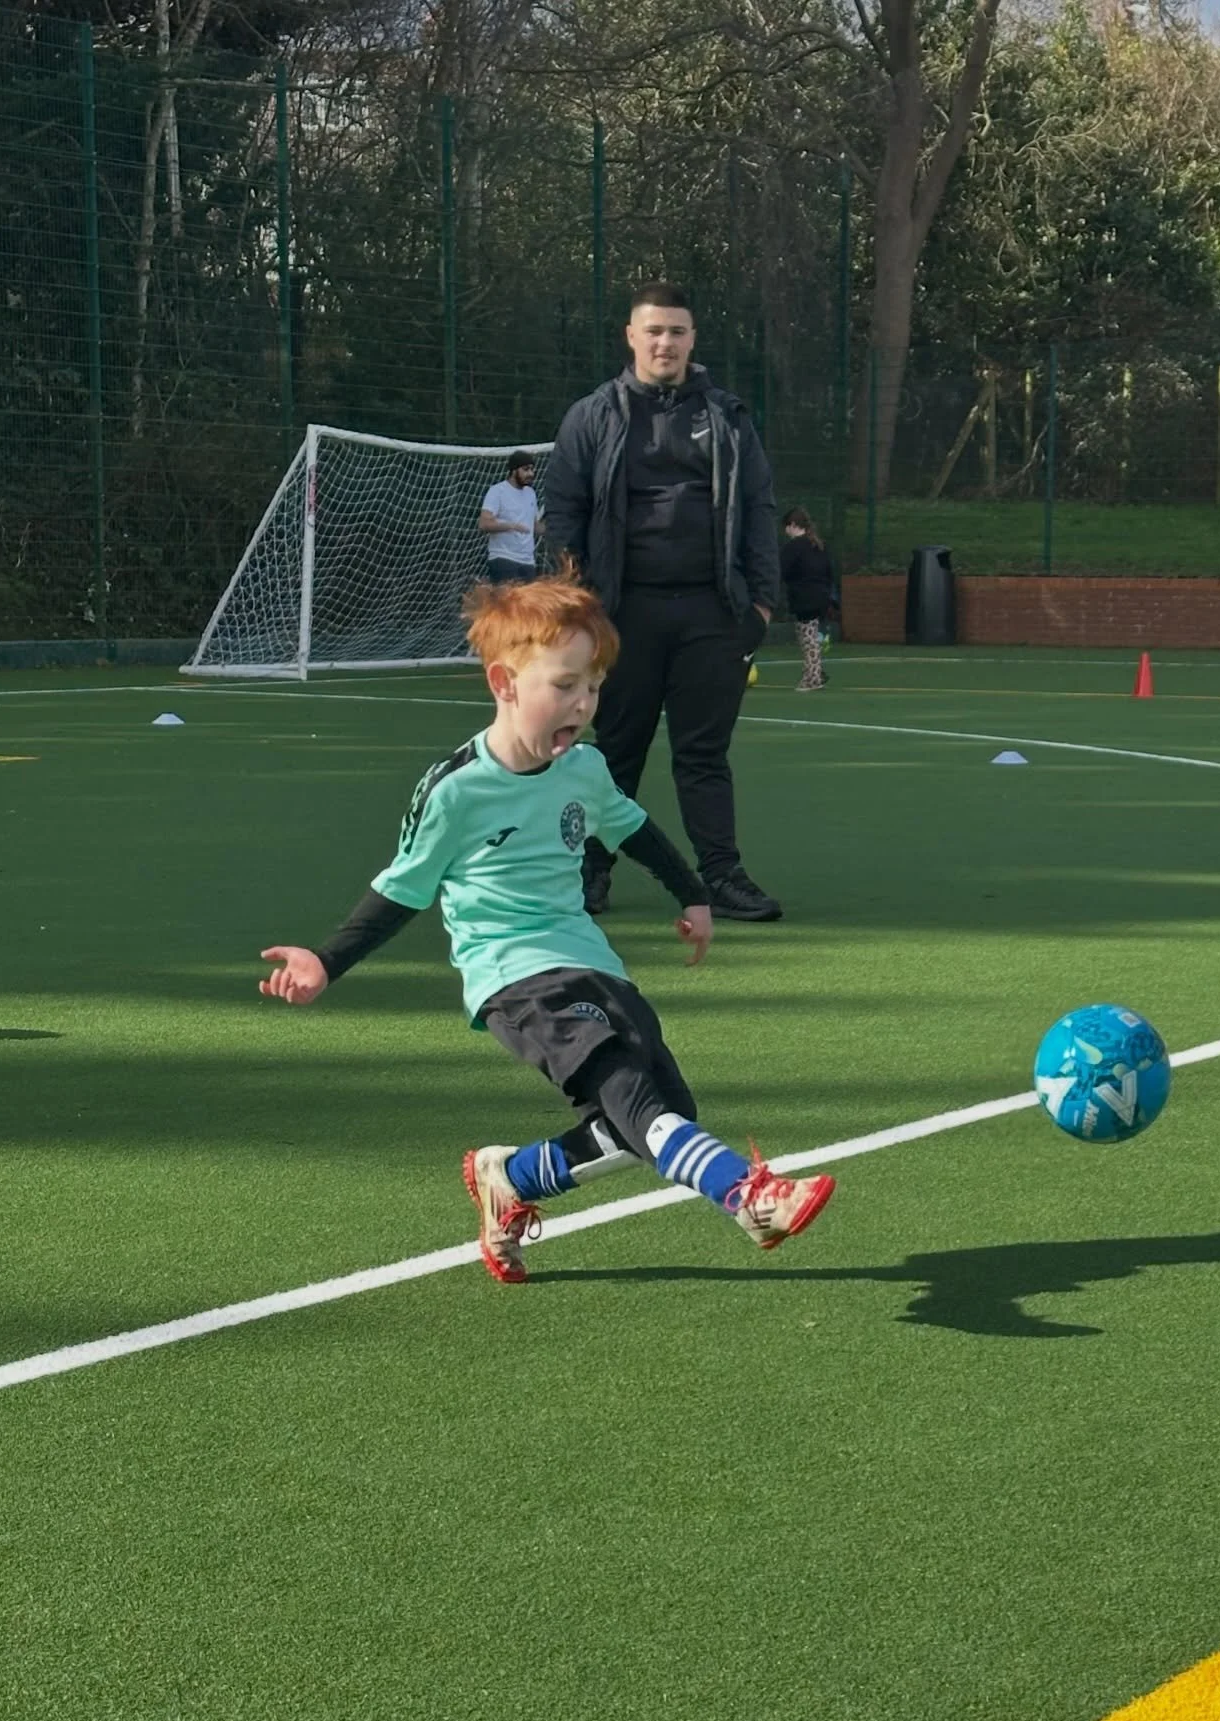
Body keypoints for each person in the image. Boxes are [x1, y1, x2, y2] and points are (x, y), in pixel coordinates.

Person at [257, 567, 835, 1284]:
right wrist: (326, 959)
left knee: (652, 1119)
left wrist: (692, 894)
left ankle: (514, 1177)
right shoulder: (457, 790)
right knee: (629, 1090)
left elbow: (634, 829)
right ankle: (746, 1194)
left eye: (591, 686)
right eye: (564, 685)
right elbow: (402, 890)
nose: (583, 703)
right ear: (504, 683)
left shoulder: (584, 768)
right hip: (513, 975)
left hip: (588, 959)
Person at [543, 280, 783, 924]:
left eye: (677, 331)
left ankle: (723, 877)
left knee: (704, 755)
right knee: (614, 753)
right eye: (653, 330)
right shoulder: (592, 416)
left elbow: (760, 509)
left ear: (692, 339)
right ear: (631, 336)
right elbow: (562, 511)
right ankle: (591, 875)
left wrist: (761, 603)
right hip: (622, 618)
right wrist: (576, 607)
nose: (665, 342)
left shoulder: (729, 417)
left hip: (713, 615)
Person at [780, 508, 835, 692]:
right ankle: (817, 671)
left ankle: (813, 678)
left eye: (786, 527)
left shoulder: (793, 547)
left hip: (805, 598)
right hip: (821, 596)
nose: (786, 531)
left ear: (793, 525)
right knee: (810, 636)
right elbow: (829, 571)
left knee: (808, 638)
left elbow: (783, 571)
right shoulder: (820, 545)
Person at [478, 450, 543, 583]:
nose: (530, 474)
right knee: (506, 603)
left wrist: (557, 528)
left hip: (528, 561)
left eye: (532, 469)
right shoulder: (497, 491)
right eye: (526, 469)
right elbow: (484, 524)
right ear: (514, 471)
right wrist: (511, 526)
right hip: (504, 559)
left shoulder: (531, 493)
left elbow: (535, 526)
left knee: (529, 604)